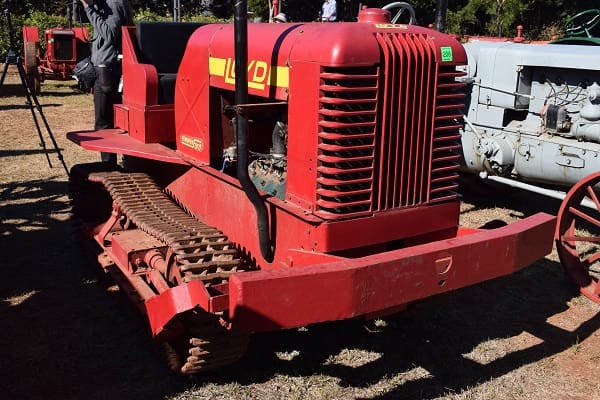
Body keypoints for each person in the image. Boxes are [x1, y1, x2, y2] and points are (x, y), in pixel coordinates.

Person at [79, 0, 133, 163]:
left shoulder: (114, 3)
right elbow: (78, 18)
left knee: (104, 123)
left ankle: (109, 166)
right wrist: (85, 6)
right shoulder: (104, 4)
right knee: (107, 120)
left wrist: (89, 8)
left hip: (108, 69)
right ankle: (115, 162)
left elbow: (109, 33)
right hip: (106, 67)